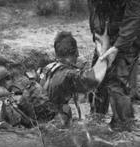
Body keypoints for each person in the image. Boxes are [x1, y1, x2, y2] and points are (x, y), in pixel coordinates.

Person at [88, 0, 140, 130]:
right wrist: (99, 39)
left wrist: (118, 46)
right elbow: (94, 9)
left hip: (131, 32)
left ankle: (124, 130)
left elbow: (134, 17)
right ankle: (96, 120)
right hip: (109, 26)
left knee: (117, 83)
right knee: (96, 79)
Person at [39, 31, 109, 127]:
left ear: (56, 53)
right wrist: (104, 50)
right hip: (54, 126)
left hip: (40, 119)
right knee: (65, 111)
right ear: (76, 52)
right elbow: (92, 80)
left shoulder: (47, 68)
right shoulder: (68, 75)